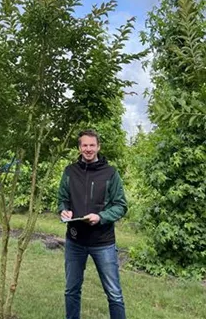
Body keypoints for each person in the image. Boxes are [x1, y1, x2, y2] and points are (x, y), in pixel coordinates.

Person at [58, 129, 127, 319]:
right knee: (71, 290)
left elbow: (121, 206)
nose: (88, 149)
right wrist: (63, 210)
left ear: (98, 147)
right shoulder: (70, 171)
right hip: (75, 241)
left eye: (92, 145)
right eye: (84, 145)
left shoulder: (111, 173)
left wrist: (101, 217)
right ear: (79, 148)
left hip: (103, 242)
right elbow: (62, 199)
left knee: (114, 294)